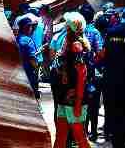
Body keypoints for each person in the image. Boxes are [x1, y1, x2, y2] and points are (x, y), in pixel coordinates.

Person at [52, 11, 92, 148]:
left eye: (67, 25)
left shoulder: (76, 46)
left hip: (74, 98)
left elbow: (82, 75)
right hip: (64, 95)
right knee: (61, 135)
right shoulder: (67, 43)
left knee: (79, 137)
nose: (65, 26)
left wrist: (78, 103)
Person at [104, 5, 125, 148]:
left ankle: (116, 142)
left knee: (114, 113)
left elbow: (105, 53)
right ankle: (123, 141)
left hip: (112, 79)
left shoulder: (112, 31)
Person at [78, 3, 105, 141]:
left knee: (79, 102)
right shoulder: (95, 32)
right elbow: (100, 53)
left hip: (75, 73)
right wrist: (93, 61)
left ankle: (80, 132)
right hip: (90, 73)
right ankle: (93, 132)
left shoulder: (74, 31)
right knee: (93, 104)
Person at [17, 15, 44, 99]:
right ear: (27, 28)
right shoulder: (28, 41)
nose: (32, 29)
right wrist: (37, 70)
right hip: (29, 73)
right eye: (31, 27)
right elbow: (32, 59)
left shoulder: (17, 38)